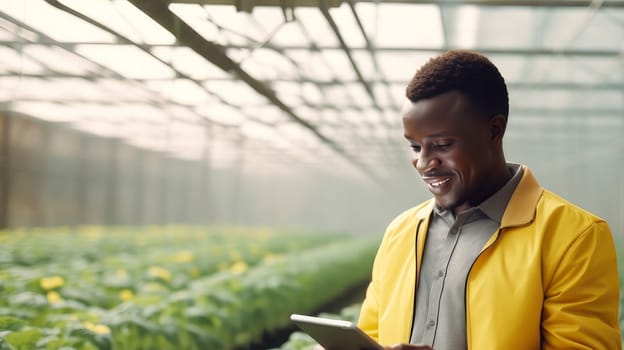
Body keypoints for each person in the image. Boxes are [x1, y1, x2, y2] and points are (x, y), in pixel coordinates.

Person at [355, 50, 622, 350]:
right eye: (416, 147)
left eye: (442, 145)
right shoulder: (399, 234)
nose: (423, 162)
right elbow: (371, 336)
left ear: (494, 130)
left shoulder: (574, 237)